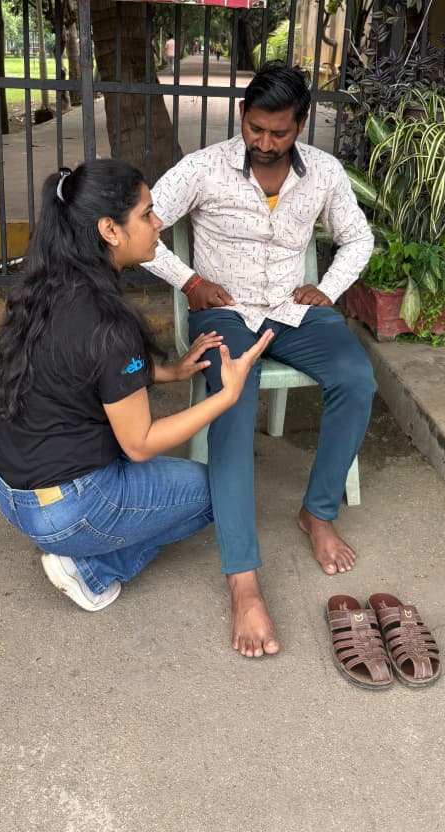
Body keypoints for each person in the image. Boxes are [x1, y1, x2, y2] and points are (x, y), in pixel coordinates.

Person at [142, 62, 377, 658]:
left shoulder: (322, 172)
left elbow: (359, 237)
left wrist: (328, 286)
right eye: (255, 128)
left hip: (292, 310)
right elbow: (140, 229)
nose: (264, 143)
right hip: (224, 312)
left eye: (278, 132)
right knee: (231, 402)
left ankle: (317, 513)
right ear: (242, 119)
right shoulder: (204, 168)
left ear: (299, 125)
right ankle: (243, 580)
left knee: (356, 377)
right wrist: (189, 279)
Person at [0, 160, 272, 614]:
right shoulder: (106, 322)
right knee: (219, 492)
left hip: (6, 485)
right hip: (62, 506)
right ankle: (93, 570)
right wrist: (227, 396)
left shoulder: (50, 282)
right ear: (110, 230)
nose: (158, 223)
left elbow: (84, 370)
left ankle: (81, 540)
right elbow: (139, 444)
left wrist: (170, 372)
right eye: (146, 213)